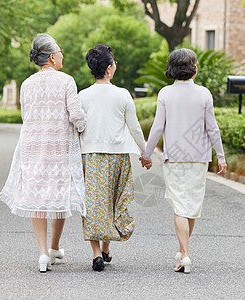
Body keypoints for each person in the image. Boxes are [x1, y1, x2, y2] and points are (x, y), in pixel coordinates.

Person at [0, 33, 87, 273]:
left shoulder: (27, 84)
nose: (62, 54)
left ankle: (44, 253)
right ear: (52, 57)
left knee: (38, 197)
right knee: (59, 194)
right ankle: (55, 246)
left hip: (33, 145)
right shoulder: (67, 81)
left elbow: (26, 116)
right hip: (58, 147)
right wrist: (83, 129)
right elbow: (76, 115)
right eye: (60, 50)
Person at [140, 48, 227, 274]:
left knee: (180, 205)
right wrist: (222, 157)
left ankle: (185, 254)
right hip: (199, 158)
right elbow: (213, 129)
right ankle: (182, 250)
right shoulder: (204, 94)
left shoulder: (165, 94)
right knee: (191, 205)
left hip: (174, 158)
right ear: (193, 69)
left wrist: (147, 155)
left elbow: (158, 127)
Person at [79, 44, 146, 272]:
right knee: (113, 202)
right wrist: (145, 153)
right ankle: (106, 248)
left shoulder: (83, 96)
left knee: (93, 204)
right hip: (118, 156)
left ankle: (97, 253)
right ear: (109, 69)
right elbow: (135, 128)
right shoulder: (123, 94)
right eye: (114, 63)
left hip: (91, 157)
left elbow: (77, 128)